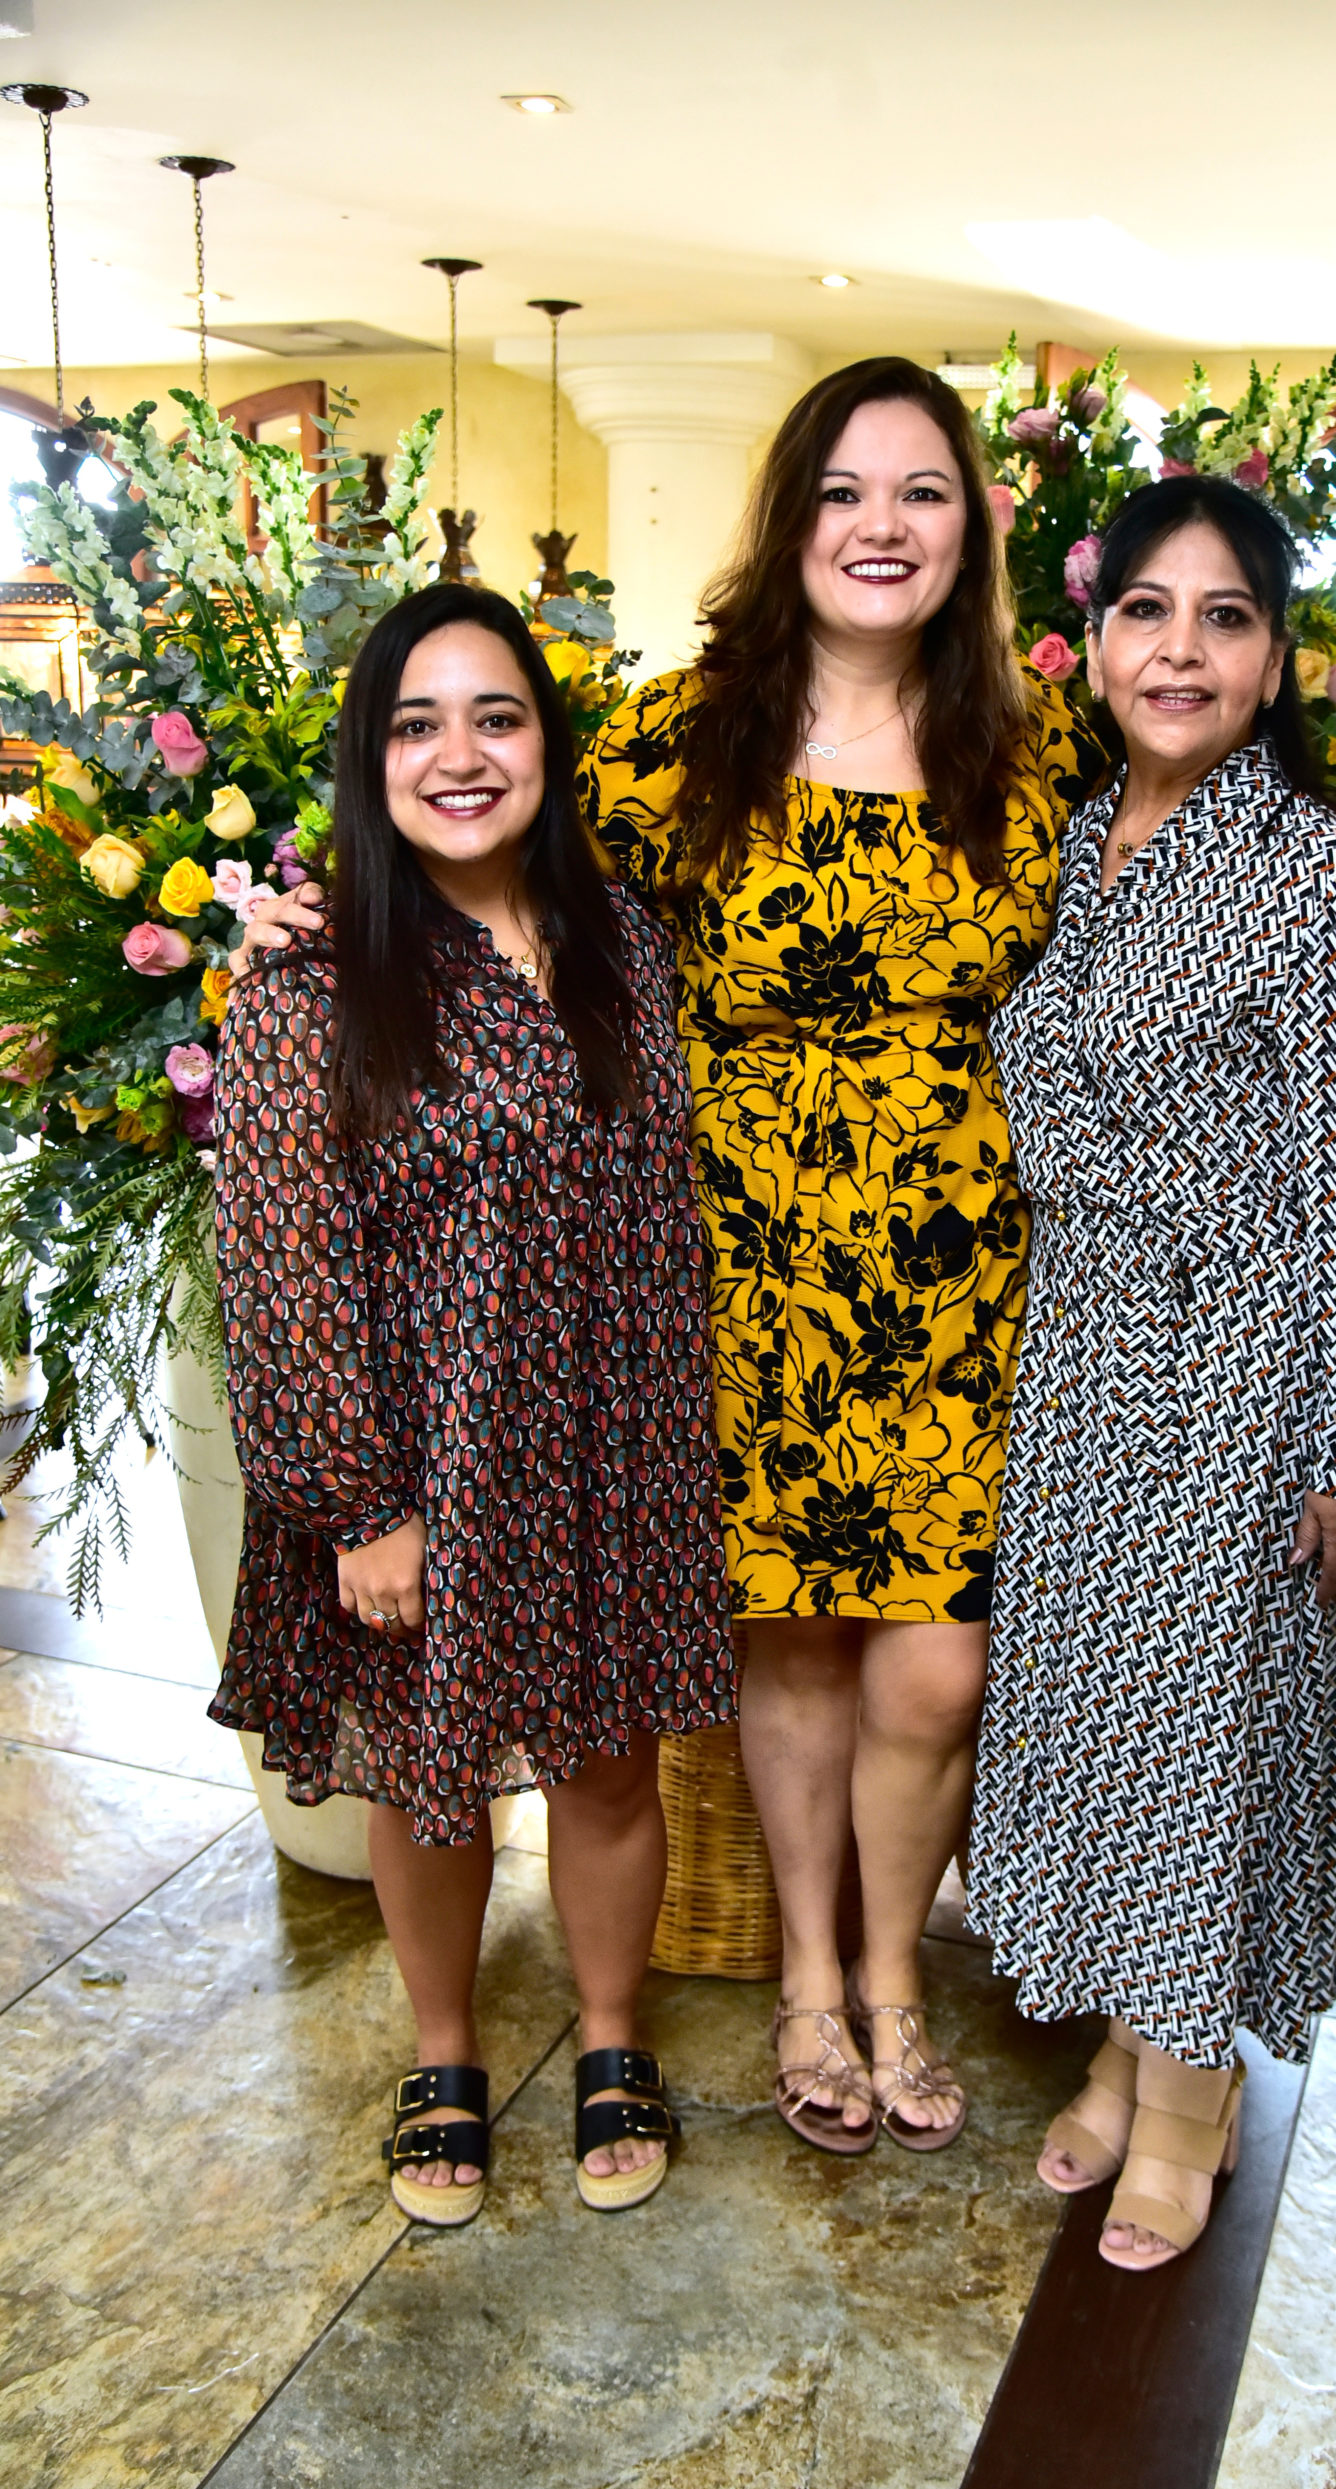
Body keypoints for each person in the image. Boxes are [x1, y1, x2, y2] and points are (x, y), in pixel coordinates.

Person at [233, 356, 1103, 2157]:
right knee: (785, 1651)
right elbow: (490, 847)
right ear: (787, 519)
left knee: (936, 1663)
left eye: (920, 492)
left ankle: (892, 1975)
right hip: (732, 1264)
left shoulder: (1032, 754)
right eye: (842, 492)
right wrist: (322, 917)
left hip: (954, 1274)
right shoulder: (663, 735)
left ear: (970, 528)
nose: (879, 528)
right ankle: (808, 1984)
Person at [967, 475, 1336, 2272]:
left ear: (1272, 661)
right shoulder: (1088, 844)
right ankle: (1115, 2040)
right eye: (1145, 612)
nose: (1179, 649)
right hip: (1090, 1363)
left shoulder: (1324, 886)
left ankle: (1188, 2096)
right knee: (1105, 1731)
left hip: (1245, 1379)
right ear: (1090, 644)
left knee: (1208, 1747)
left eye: (1222, 617)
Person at [213, 584, 734, 2227]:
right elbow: (278, 1254)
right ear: (369, 760)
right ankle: (440, 2055)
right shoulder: (311, 981)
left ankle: (604, 2036)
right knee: (424, 1774)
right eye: (415, 724)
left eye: (495, 717)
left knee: (607, 1769)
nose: (459, 755)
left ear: (545, 742)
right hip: (418, 1463)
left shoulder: (623, 941)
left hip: (611, 1443)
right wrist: (355, 1502)